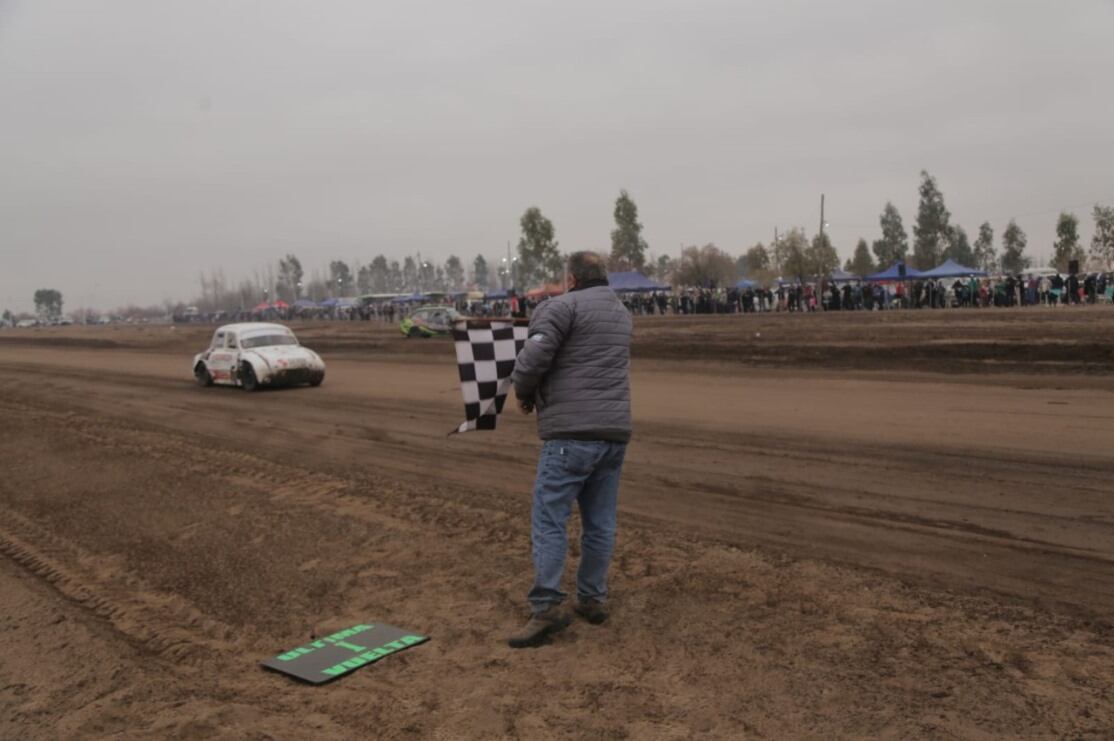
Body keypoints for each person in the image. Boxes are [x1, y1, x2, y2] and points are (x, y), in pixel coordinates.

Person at [508, 251, 633, 648]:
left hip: (570, 433)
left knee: (549, 519)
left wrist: (524, 394)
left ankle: (545, 606)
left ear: (572, 278)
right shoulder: (621, 312)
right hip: (614, 432)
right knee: (600, 522)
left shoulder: (560, 307)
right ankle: (592, 598)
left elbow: (533, 359)